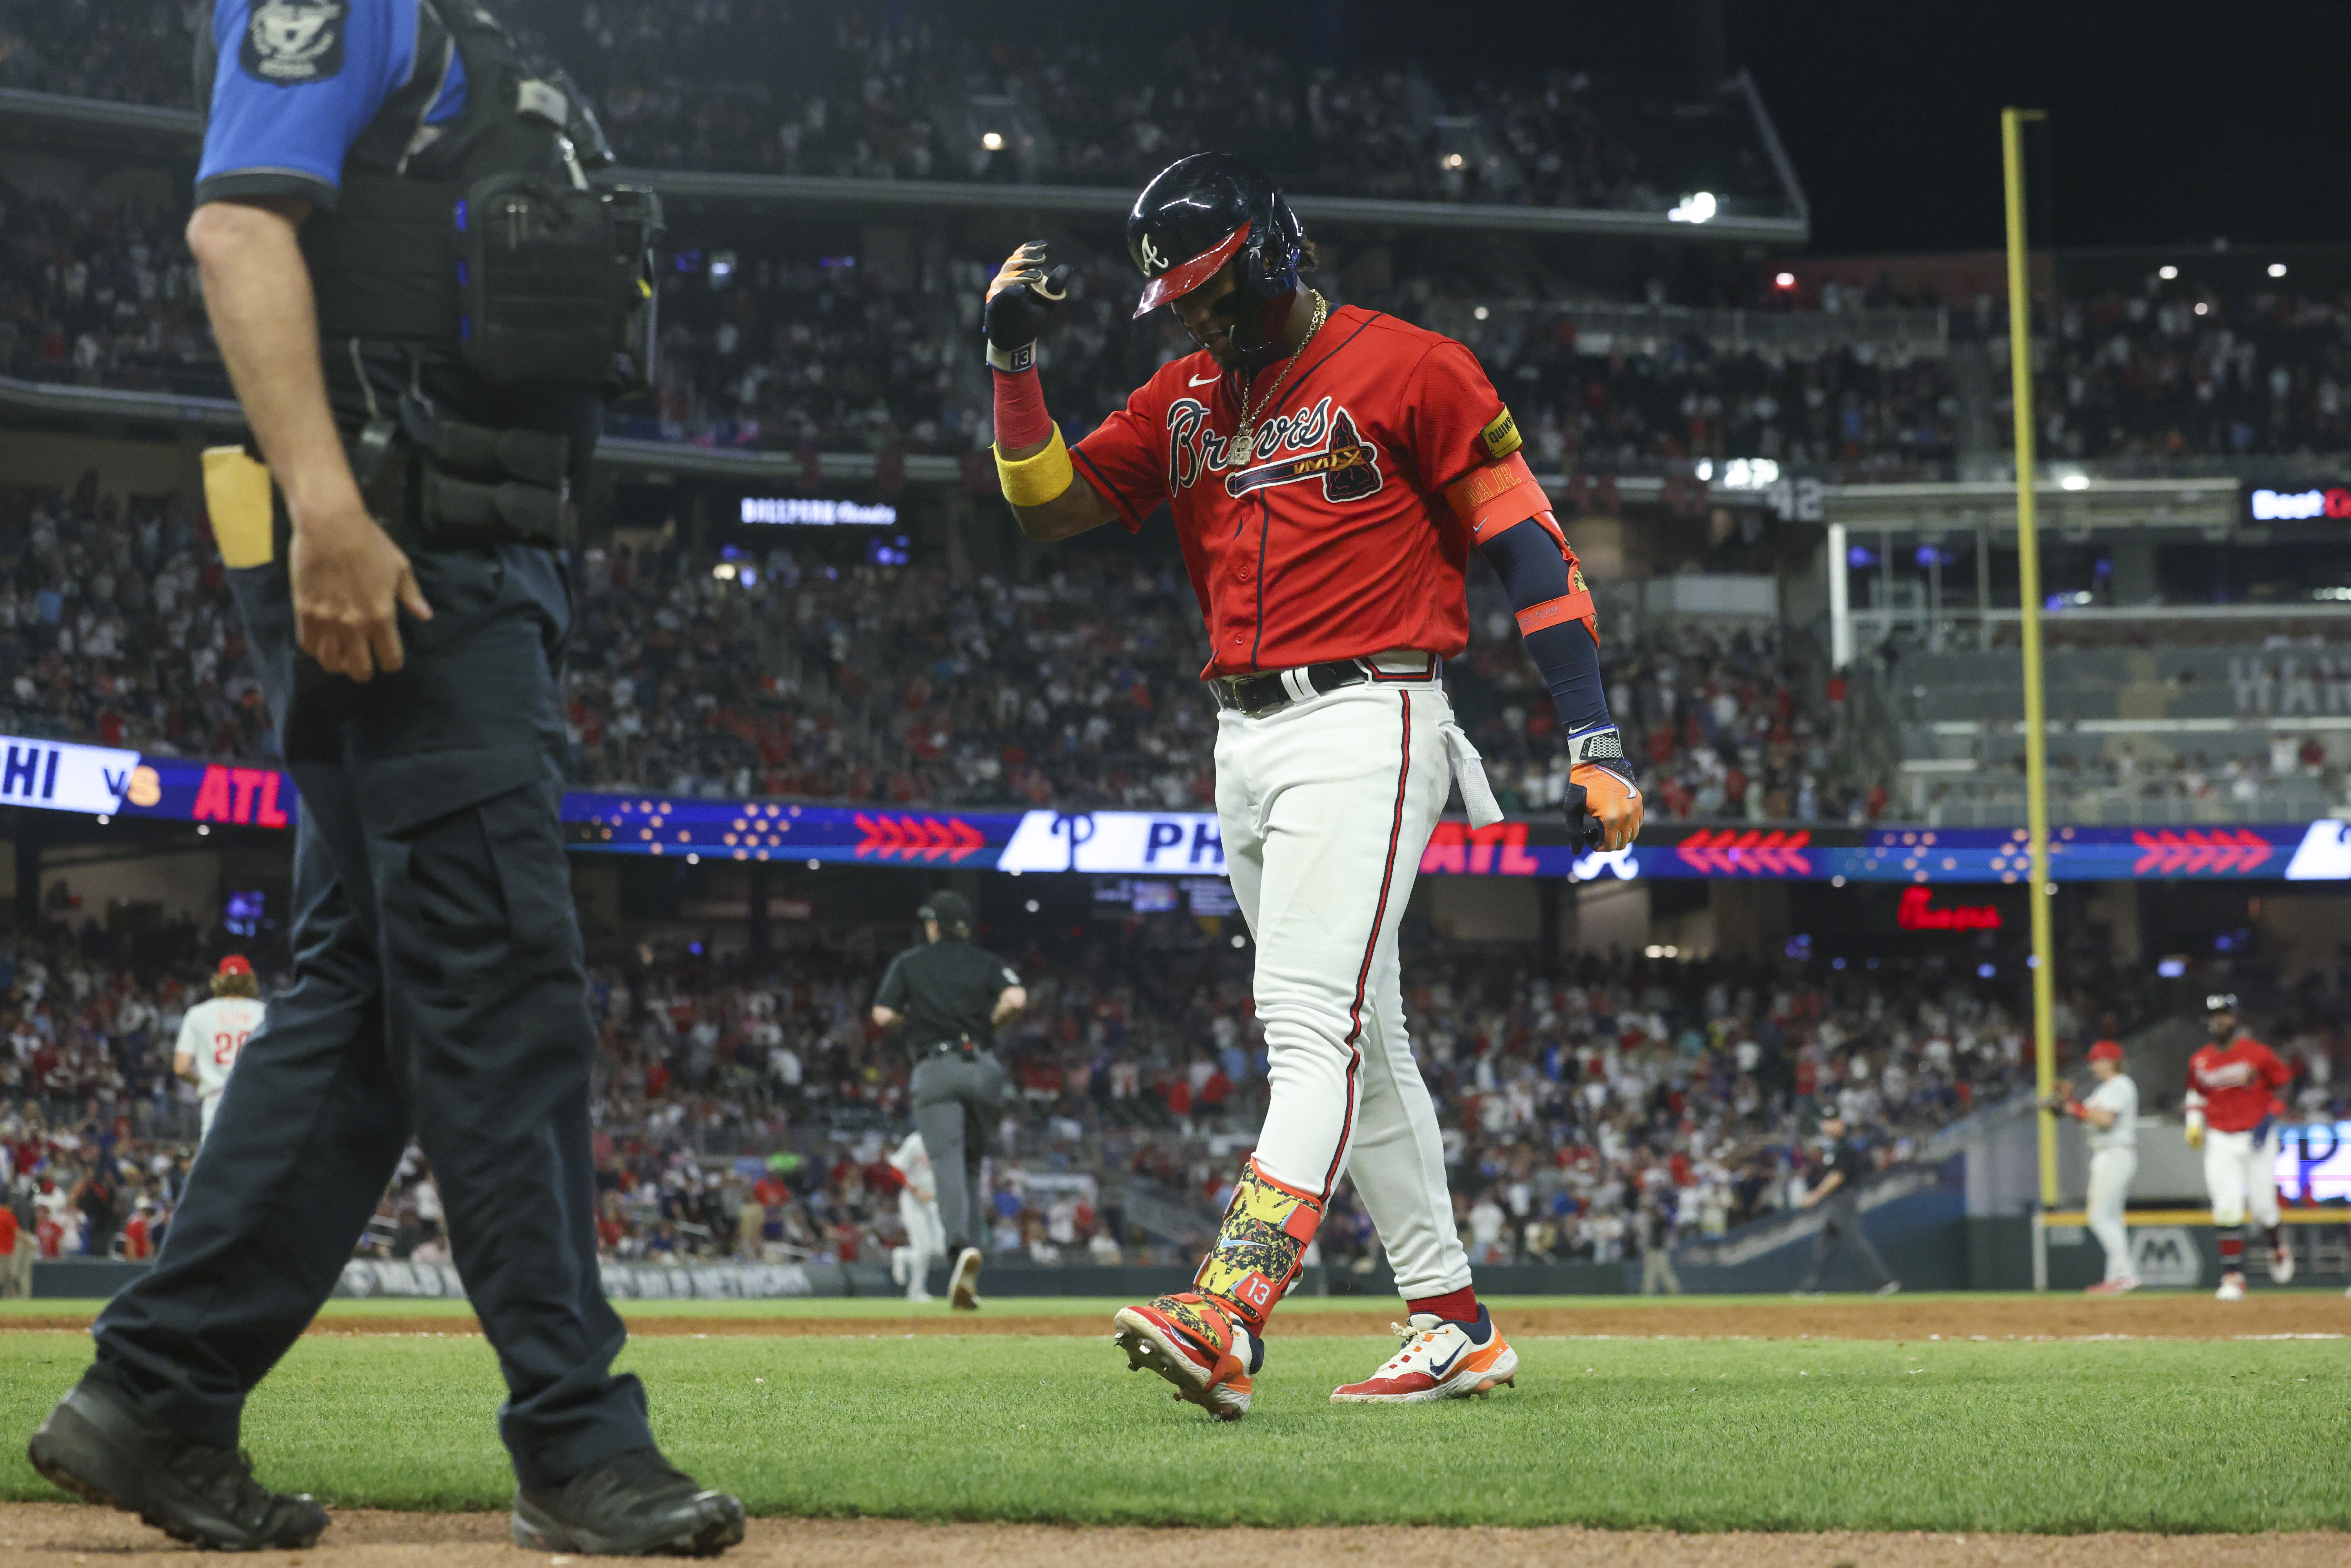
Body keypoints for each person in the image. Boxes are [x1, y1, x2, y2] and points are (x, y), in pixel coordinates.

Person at [25, 2, 740, 1557]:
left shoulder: (473, 42)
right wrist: (330, 510)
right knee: (500, 985)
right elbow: (233, 230)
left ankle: (155, 1391)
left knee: (362, 1010)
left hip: (471, 557)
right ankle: (575, 1439)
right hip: (408, 564)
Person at [981, 152, 1641, 1419]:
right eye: (1179, 299)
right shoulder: (1182, 394)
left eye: (1211, 288)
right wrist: (1013, 366)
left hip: (1372, 710)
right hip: (1242, 738)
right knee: (1364, 1034)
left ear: (1272, 250)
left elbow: (1528, 547)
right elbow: (1046, 506)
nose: (1195, 316)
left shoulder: (1414, 366)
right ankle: (1450, 1321)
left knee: (1301, 1014)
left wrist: (1592, 735)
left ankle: (1228, 1305)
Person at [870, 892, 1025, 1311]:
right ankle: (971, 1258)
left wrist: (914, 1018)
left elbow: (882, 1015)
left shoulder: (910, 962)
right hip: (983, 1068)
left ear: (934, 925)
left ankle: (960, 1250)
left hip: (936, 1067)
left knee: (948, 1161)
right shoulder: (986, 962)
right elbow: (1016, 999)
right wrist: (991, 1024)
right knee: (975, 1163)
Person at [2185, 993, 2294, 1301]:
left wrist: (2271, 1116)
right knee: (2226, 1205)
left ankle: (2276, 1244)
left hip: (2256, 1136)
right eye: (2214, 1015)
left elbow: (2284, 1081)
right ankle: (2233, 1277)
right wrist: (2193, 1125)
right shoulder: (2200, 1059)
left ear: (2236, 1017)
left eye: (2225, 1014)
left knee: (2263, 1208)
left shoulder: (2256, 1053)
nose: (2220, 1020)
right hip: (2220, 1136)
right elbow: (2195, 1093)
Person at [2049, 1039, 2139, 1294]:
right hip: (2107, 1153)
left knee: (2098, 1216)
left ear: (2111, 1061)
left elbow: (2105, 1119)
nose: (2092, 1066)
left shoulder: (2120, 1085)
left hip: (2116, 1152)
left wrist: (2072, 1106)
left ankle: (2124, 1274)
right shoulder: (2105, 1089)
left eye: (2097, 1061)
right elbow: (2085, 1116)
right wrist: (2068, 1100)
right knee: (2111, 1218)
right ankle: (2116, 1278)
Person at [1794, 1111, 1900, 1296]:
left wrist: (1816, 1196)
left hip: (1844, 1198)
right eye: (1825, 1122)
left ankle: (1886, 1282)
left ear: (1840, 1124)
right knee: (1824, 1244)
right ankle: (1811, 1288)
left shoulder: (1845, 1147)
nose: (1826, 1126)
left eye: (1831, 1122)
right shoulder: (1834, 1148)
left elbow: (1838, 1177)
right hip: (1837, 1199)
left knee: (1856, 1242)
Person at [171, 956, 266, 1143]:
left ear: (219, 980)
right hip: (256, 1102)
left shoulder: (198, 1014)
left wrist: (204, 1083)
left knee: (216, 1169)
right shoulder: (266, 1013)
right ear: (250, 980)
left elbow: (181, 1068)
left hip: (217, 1101)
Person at [886, 1131, 945, 1304]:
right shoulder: (916, 1141)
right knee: (925, 1248)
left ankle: (904, 1255)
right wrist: (916, 1190)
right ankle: (916, 1292)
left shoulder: (946, 1141)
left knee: (940, 1248)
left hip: (932, 1202)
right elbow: (895, 1170)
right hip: (913, 1200)